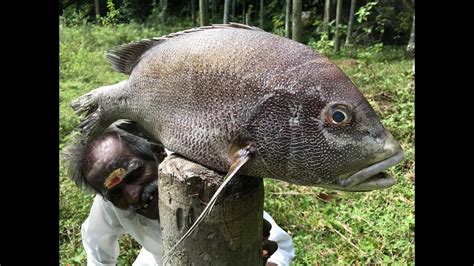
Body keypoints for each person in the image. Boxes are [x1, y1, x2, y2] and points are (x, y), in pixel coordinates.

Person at [66, 121, 295, 266]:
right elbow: (96, 244)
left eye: (135, 173)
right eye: (115, 194)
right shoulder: (112, 202)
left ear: (158, 153)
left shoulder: (205, 183)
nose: (133, 196)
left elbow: (280, 245)